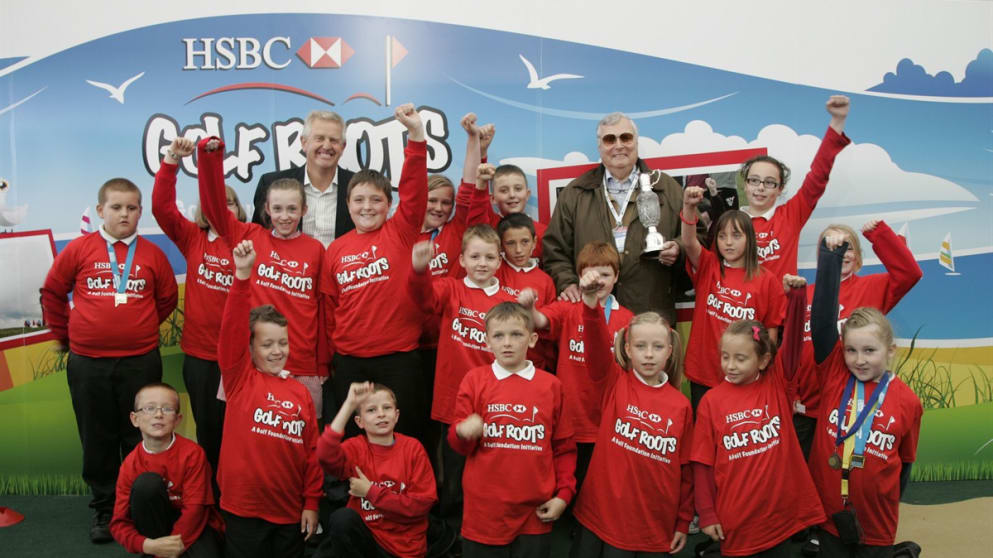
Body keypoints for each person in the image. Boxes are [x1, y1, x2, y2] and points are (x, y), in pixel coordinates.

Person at [40, 177, 178, 543]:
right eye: (116, 207)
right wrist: (65, 336)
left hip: (140, 362)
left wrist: (138, 326)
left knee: (140, 435)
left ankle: (137, 506)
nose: (124, 214)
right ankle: (104, 509)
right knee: (97, 438)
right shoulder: (79, 249)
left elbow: (166, 299)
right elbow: (52, 291)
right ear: (101, 210)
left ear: (140, 212)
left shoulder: (153, 255)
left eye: (132, 208)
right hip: (89, 363)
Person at [806, 234, 923, 557]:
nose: (859, 360)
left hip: (877, 526)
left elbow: (905, 466)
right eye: (851, 350)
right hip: (830, 519)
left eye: (870, 350)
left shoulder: (908, 401)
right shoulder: (835, 375)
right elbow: (822, 321)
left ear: (890, 350)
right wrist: (831, 258)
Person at [322, 103, 430, 440]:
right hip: (350, 362)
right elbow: (329, 310)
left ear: (389, 205)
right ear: (347, 205)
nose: (366, 207)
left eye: (376, 200)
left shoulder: (401, 231)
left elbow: (414, 190)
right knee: (355, 441)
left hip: (399, 359)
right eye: (358, 200)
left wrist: (416, 136)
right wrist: (330, 359)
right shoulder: (335, 250)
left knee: (407, 437)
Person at [198, 136, 327, 417]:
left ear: (304, 210)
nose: (285, 216)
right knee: (251, 433)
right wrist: (210, 159)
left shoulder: (316, 250)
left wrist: (322, 365)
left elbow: (322, 310)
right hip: (254, 361)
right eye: (277, 208)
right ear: (266, 209)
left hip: (301, 364)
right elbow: (214, 209)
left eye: (292, 209)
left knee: (299, 437)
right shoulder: (250, 236)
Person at [570, 268, 693, 557]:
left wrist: (683, 520)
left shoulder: (681, 406)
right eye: (640, 346)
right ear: (627, 348)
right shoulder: (614, 382)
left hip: (653, 525)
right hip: (603, 517)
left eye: (657, 347)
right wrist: (591, 305)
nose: (648, 354)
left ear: (669, 351)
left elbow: (686, 469)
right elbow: (596, 347)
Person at [216, 239, 322, 558]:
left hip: (289, 513)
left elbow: (312, 453)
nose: (277, 351)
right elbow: (232, 329)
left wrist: (311, 502)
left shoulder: (301, 392)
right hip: (244, 510)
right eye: (266, 345)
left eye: (283, 343)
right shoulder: (240, 379)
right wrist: (242, 276)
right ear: (249, 348)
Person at [448, 302, 576, 557]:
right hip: (484, 514)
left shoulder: (551, 386)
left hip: (534, 514)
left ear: (532, 339)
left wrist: (563, 495)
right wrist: (462, 432)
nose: (507, 343)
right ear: (487, 342)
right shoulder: (474, 381)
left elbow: (564, 447)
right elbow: (459, 446)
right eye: (498, 336)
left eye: (516, 334)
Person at [691, 315, 825, 558]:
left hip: (779, 520)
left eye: (740, 358)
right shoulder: (710, 402)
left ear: (763, 361)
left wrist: (796, 300)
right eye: (725, 356)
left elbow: (794, 345)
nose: (730, 366)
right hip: (737, 521)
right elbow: (702, 463)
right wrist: (707, 513)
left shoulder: (777, 386)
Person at [408, 224, 515, 525]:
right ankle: (453, 533)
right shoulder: (450, 288)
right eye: (475, 257)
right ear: (463, 260)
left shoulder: (507, 302)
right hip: (452, 400)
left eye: (489, 257)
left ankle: (489, 525)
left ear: (499, 261)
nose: (482, 263)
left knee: (492, 470)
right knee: (454, 475)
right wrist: (419, 270)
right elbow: (423, 299)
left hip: (493, 402)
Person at [152, 137, 246, 475]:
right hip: (201, 358)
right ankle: (212, 495)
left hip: (241, 358)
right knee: (209, 431)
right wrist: (171, 160)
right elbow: (161, 208)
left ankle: (242, 492)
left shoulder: (248, 239)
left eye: (229, 202)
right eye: (215, 202)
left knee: (243, 432)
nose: (222, 207)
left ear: (238, 210)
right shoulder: (192, 237)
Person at [790, 221, 922, 460]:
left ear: (858, 256)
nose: (840, 251)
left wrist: (878, 233)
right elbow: (789, 346)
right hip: (807, 410)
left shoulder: (872, 287)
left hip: (851, 408)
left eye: (847, 246)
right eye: (831, 245)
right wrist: (790, 392)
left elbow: (910, 273)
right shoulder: (805, 293)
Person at [543, 112, 686, 320]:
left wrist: (679, 249)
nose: (619, 145)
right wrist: (567, 283)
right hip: (593, 313)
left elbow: (697, 237)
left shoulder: (667, 188)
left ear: (636, 142)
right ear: (600, 147)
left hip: (650, 315)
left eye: (625, 138)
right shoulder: (575, 193)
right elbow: (554, 250)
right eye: (610, 139)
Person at [518, 240, 633, 490]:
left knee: (599, 487)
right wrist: (529, 308)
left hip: (608, 419)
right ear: (580, 277)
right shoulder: (568, 308)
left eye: (605, 275)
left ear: (616, 277)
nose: (598, 281)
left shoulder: (628, 320)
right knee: (568, 482)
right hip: (570, 417)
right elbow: (540, 320)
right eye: (591, 274)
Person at [681, 185, 786, 412]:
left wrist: (762, 370)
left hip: (746, 377)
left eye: (736, 235)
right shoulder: (709, 266)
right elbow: (688, 242)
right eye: (722, 236)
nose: (728, 242)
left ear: (750, 239)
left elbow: (771, 334)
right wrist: (688, 207)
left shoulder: (767, 281)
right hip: (704, 375)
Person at [315, 382, 437, 558]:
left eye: (386, 408)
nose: (381, 414)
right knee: (342, 519)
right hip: (368, 543)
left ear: (396, 415)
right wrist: (349, 405)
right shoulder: (355, 448)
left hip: (404, 549)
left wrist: (370, 492)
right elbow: (324, 454)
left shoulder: (413, 448)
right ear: (359, 422)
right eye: (371, 410)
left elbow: (421, 506)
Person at [740, 96, 851, 280]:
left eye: (769, 182)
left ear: (780, 188)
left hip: (783, 299)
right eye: (754, 180)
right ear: (745, 184)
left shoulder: (790, 215)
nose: (760, 188)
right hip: (743, 299)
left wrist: (837, 121)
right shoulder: (731, 223)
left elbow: (817, 176)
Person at [110, 383, 223, 558]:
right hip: (154, 524)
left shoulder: (193, 454)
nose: (158, 414)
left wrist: (171, 547)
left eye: (167, 409)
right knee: (146, 484)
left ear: (177, 419)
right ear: (135, 419)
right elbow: (119, 522)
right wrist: (147, 545)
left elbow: (195, 510)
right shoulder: (130, 464)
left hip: (192, 523)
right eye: (149, 408)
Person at [252, 110, 355, 246]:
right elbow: (258, 237)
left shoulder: (356, 186)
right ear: (304, 142)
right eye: (319, 138)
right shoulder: (271, 184)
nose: (327, 146)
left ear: (343, 146)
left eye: (334, 140)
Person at [495, 211, 557, 370]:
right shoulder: (494, 270)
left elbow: (550, 326)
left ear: (535, 242)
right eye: (510, 243)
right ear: (501, 245)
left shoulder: (545, 281)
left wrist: (531, 310)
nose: (518, 250)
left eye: (525, 242)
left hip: (533, 363)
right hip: (497, 361)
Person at [475, 163, 548, 259]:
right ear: (492, 198)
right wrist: (481, 183)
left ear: (527, 194)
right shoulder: (488, 226)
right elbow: (478, 206)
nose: (512, 195)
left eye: (518, 189)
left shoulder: (543, 232)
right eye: (504, 190)